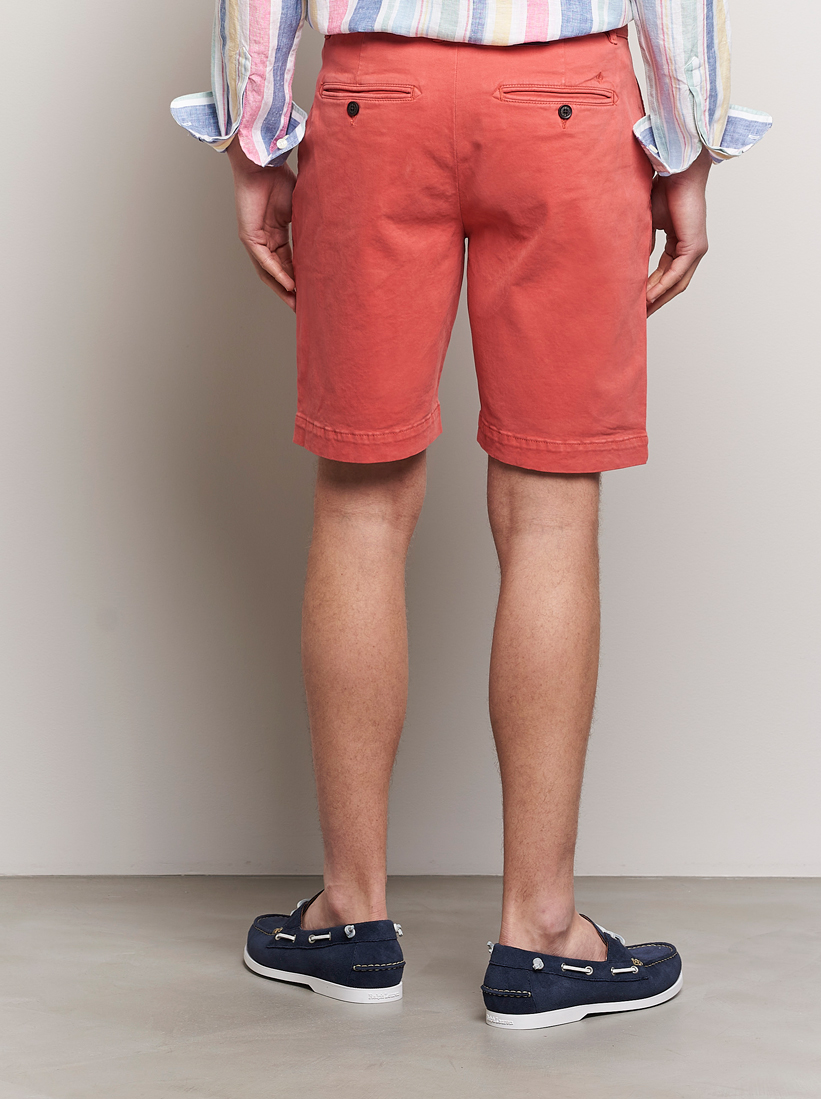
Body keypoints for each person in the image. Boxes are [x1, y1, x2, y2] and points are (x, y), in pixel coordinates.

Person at [171, 0, 769, 1031]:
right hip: (568, 106)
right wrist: (688, 143)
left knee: (362, 507)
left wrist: (254, 136)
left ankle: (350, 922)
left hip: (375, 104)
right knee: (551, 514)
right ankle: (542, 935)